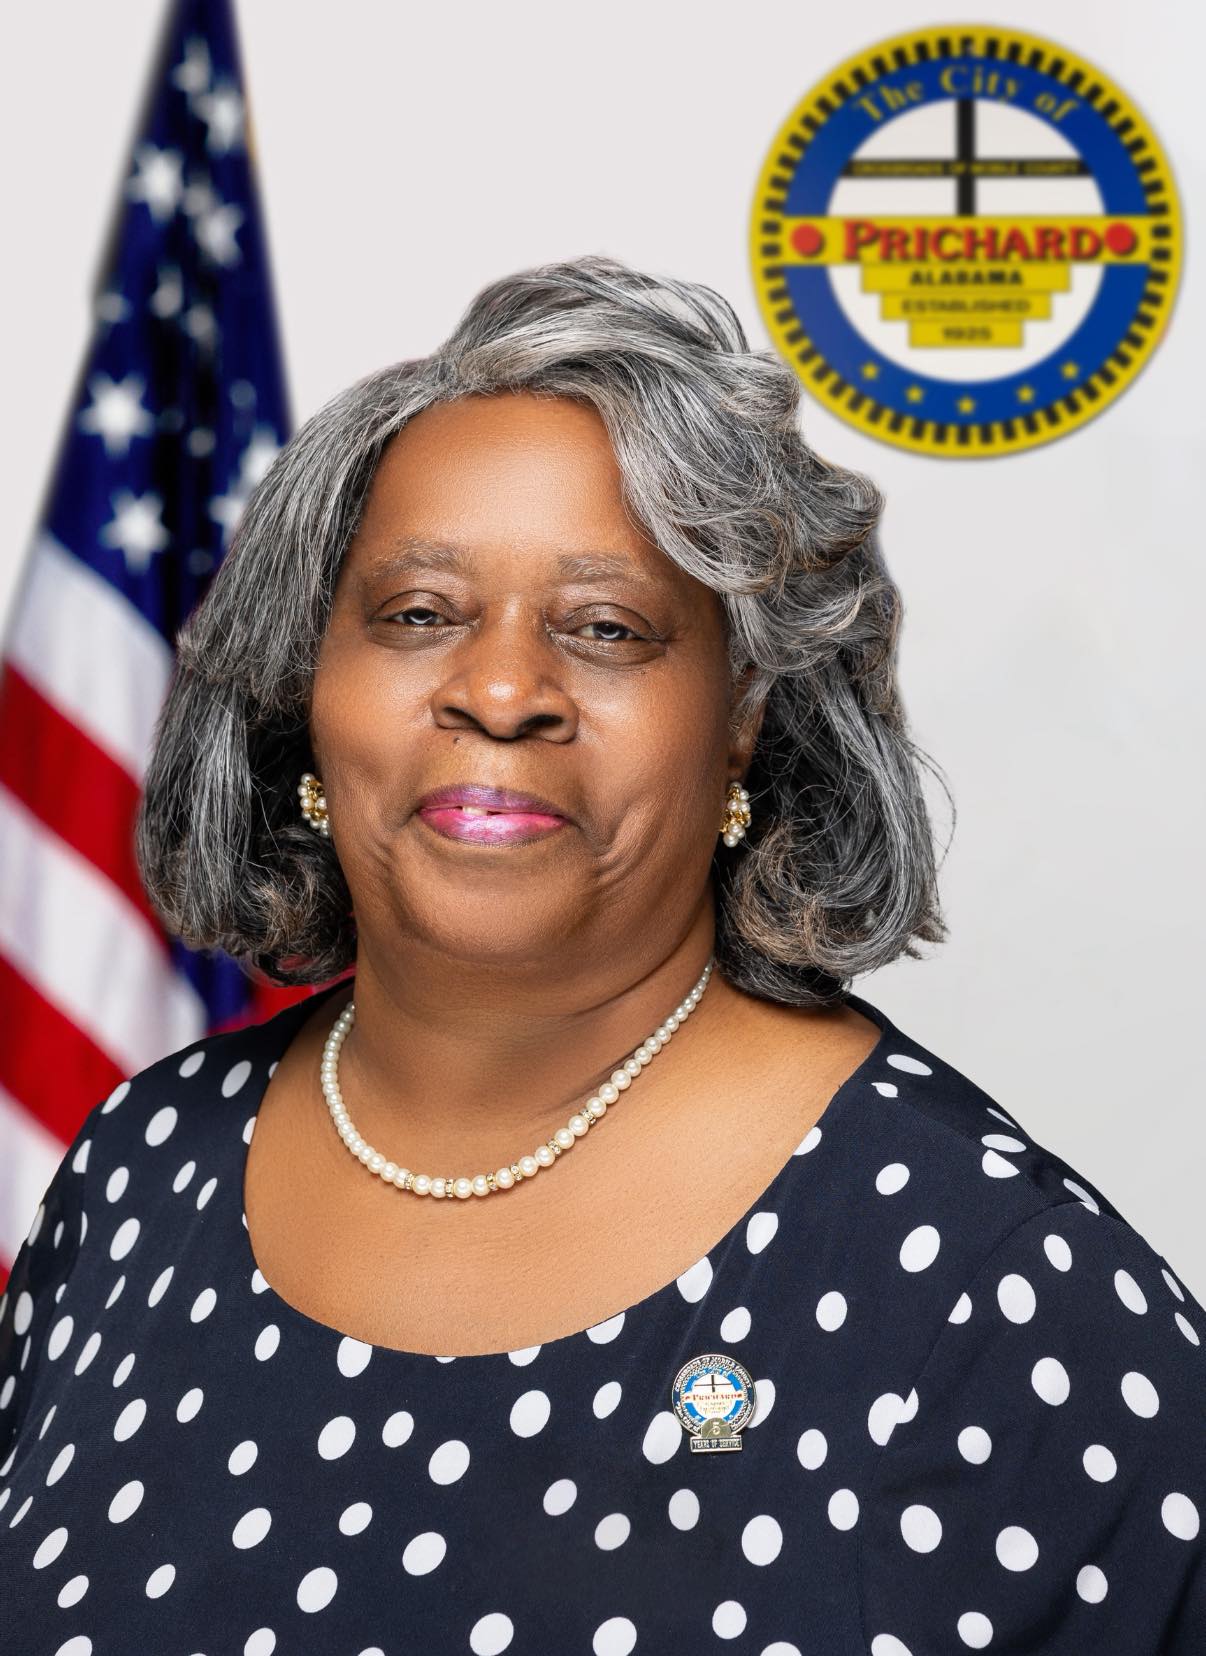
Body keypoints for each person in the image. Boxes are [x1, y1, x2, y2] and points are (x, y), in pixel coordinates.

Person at [1, 254, 1201, 1655]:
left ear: (744, 715)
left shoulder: (994, 1282)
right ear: (306, 686)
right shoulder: (144, 1167)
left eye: (607, 628)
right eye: (419, 613)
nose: (503, 690)